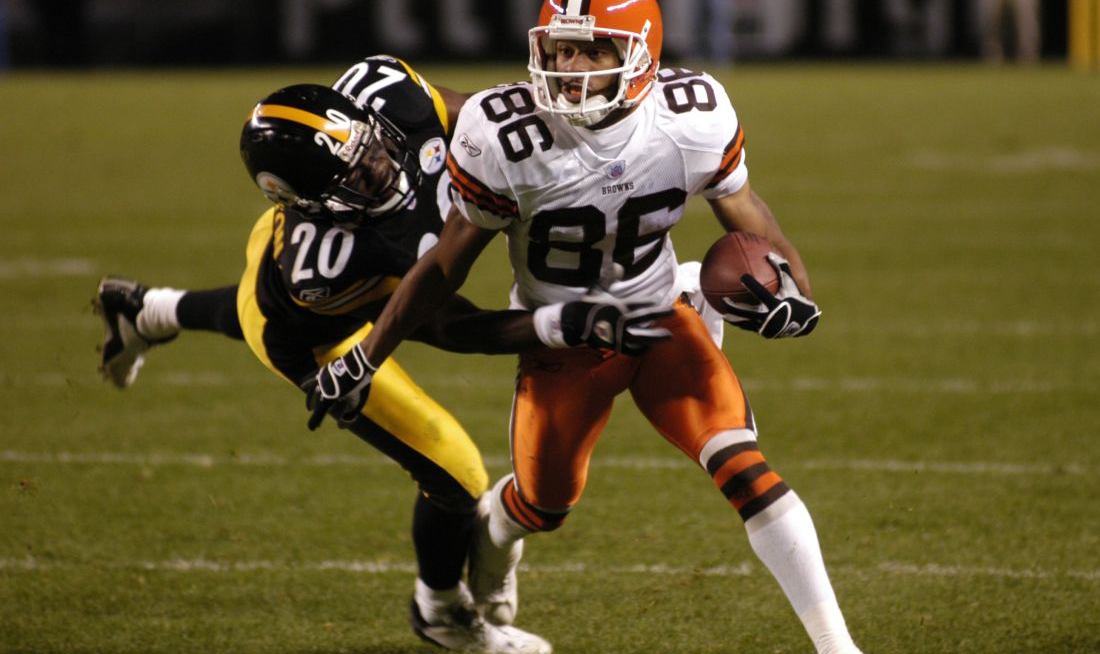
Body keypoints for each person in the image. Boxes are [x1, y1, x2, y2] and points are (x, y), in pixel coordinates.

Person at [305, 0, 863, 654]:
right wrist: (366, 355)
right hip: (562, 340)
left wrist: (796, 292)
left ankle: (838, 648)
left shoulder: (693, 115)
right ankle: (501, 532)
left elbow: (749, 218)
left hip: (658, 317)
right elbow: (446, 266)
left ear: (640, 55)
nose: (568, 66)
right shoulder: (504, 135)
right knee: (543, 506)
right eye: (559, 49)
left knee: (743, 466)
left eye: (592, 49)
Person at [93, 55, 676, 653]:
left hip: (288, 276)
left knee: (248, 301)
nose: (383, 166)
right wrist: (561, 323)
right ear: (315, 203)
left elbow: (485, 123)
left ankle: (145, 311)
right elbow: (445, 326)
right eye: (361, 176)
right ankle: (440, 610)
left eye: (372, 148)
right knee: (456, 471)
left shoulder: (389, 96)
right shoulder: (329, 262)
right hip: (312, 330)